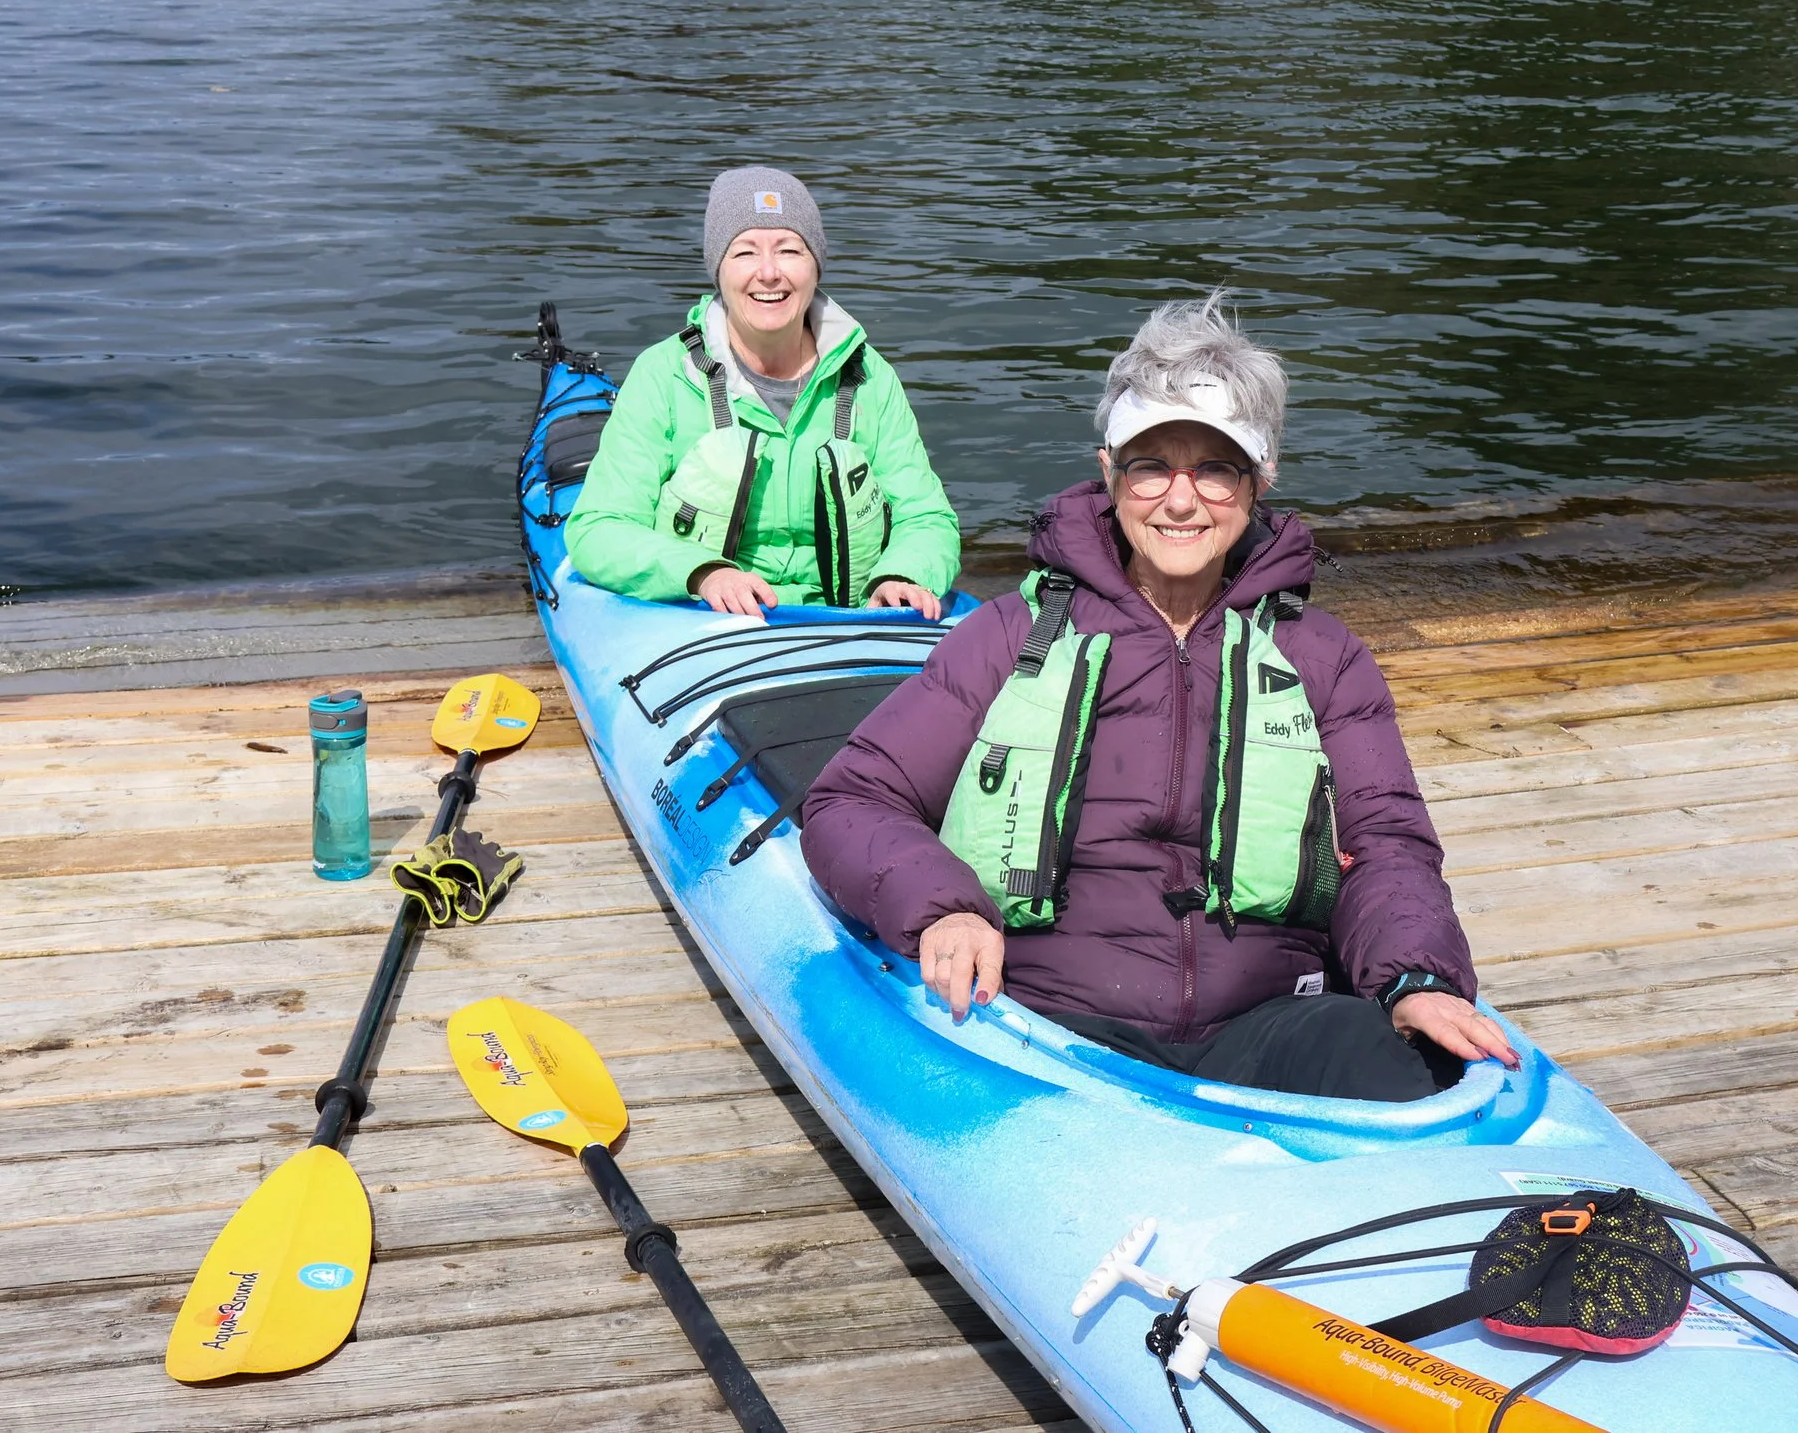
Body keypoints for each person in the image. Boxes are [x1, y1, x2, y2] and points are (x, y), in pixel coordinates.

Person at [802, 293, 1513, 1101]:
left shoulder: (1326, 656)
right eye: (1151, 465)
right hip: (1050, 1022)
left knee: (1425, 1071)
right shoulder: (1011, 635)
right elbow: (852, 799)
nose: (1181, 499)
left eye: (1215, 467)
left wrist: (1415, 973)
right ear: (1110, 472)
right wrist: (946, 908)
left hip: (1272, 1021)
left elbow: (1388, 844)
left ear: (1260, 479)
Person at [566, 166, 960, 619]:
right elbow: (598, 529)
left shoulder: (871, 376)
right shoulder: (662, 374)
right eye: (745, 253)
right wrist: (703, 573)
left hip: (850, 618)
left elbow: (928, 518)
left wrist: (903, 576)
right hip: (702, 622)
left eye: (790, 250)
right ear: (719, 271)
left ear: (815, 266)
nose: (769, 273)